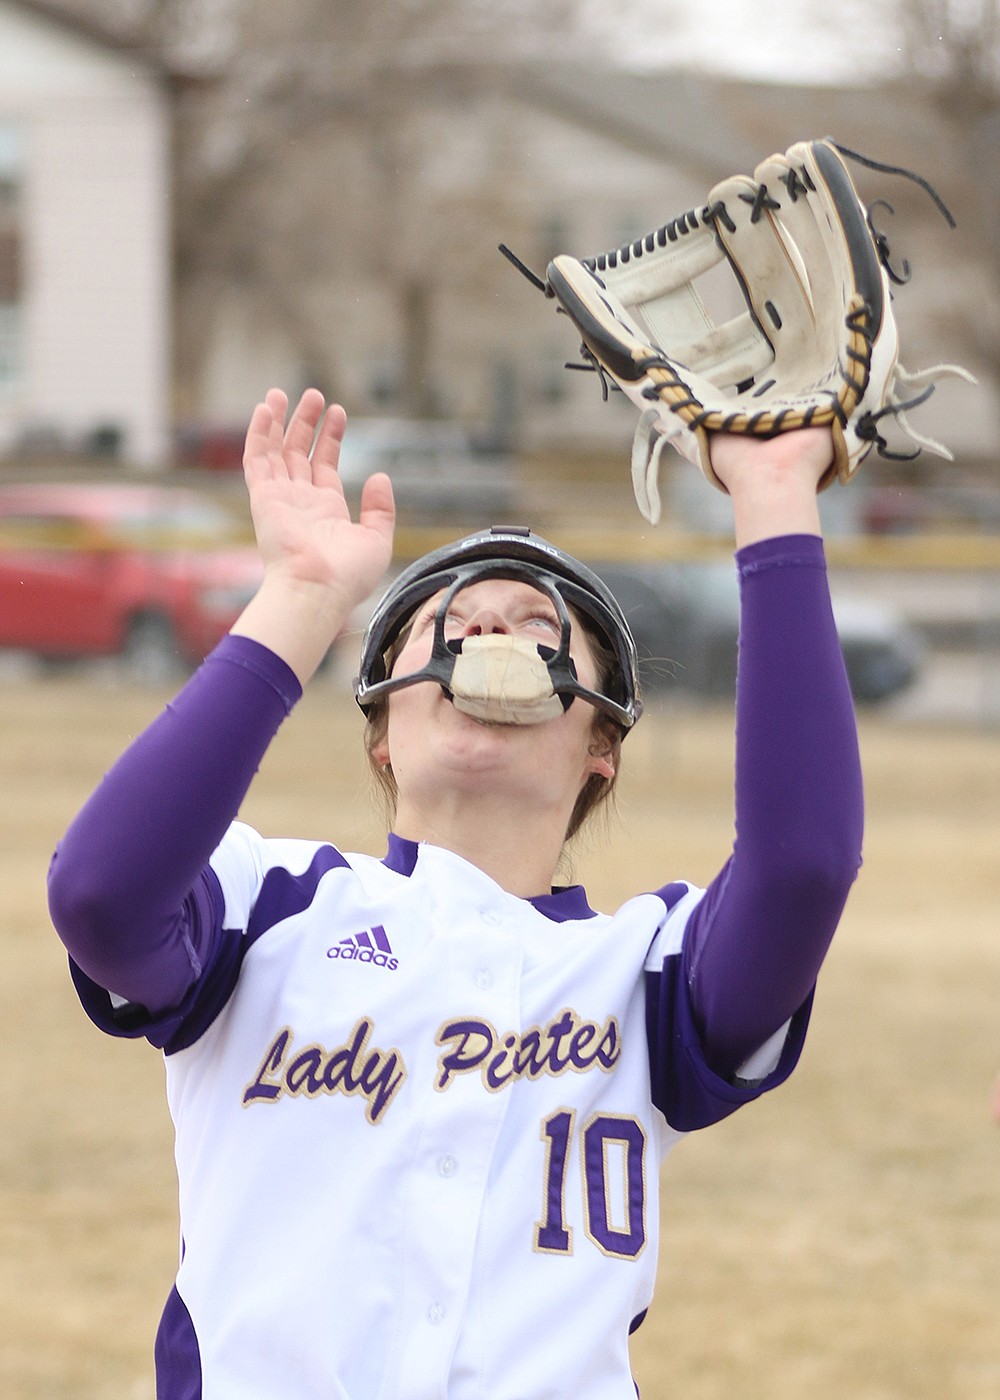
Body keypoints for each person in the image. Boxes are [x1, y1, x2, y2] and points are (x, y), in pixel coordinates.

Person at [47, 387, 864, 1400]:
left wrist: (774, 490)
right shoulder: (269, 906)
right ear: (383, 728)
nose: (488, 624)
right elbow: (97, 894)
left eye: (536, 623)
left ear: (600, 742)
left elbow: (804, 865)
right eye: (445, 622)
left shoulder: (645, 967)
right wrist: (302, 597)